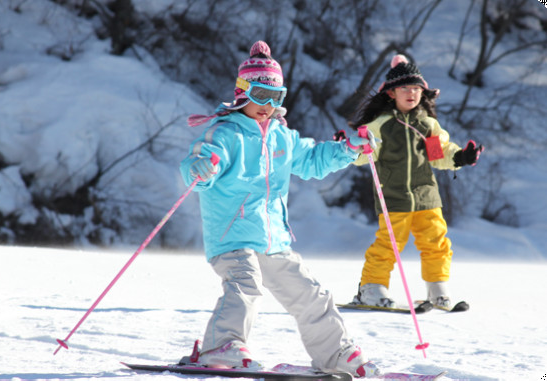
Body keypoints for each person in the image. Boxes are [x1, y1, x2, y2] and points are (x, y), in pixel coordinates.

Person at [179, 40, 380, 378]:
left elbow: (313, 160)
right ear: (243, 92)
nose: (267, 106)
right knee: (245, 283)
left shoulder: (281, 137)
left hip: (273, 241)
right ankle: (222, 346)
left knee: (311, 294)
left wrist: (348, 149)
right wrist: (201, 168)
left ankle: (336, 354)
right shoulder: (226, 134)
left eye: (276, 98)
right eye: (260, 96)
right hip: (232, 237)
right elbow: (197, 168)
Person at [347, 54, 484, 309]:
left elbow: (439, 154)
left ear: (423, 92)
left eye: (416, 88)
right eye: (404, 88)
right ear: (391, 93)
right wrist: (351, 148)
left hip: (426, 195)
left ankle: (437, 288)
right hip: (394, 196)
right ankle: (371, 287)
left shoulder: (427, 124)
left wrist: (461, 156)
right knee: (388, 244)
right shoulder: (381, 126)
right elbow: (365, 155)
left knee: (437, 242)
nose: (411, 93)